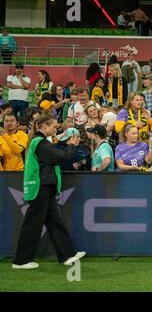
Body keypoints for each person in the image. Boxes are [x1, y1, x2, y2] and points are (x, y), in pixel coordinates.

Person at [12, 113, 86, 269]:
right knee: (33, 224)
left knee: (54, 222)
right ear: (44, 126)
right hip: (40, 187)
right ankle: (21, 260)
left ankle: (67, 255)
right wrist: (71, 145)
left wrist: (69, 146)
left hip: (45, 187)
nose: (55, 128)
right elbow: (60, 157)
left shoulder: (41, 142)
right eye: (53, 126)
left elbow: (58, 154)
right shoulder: (40, 143)